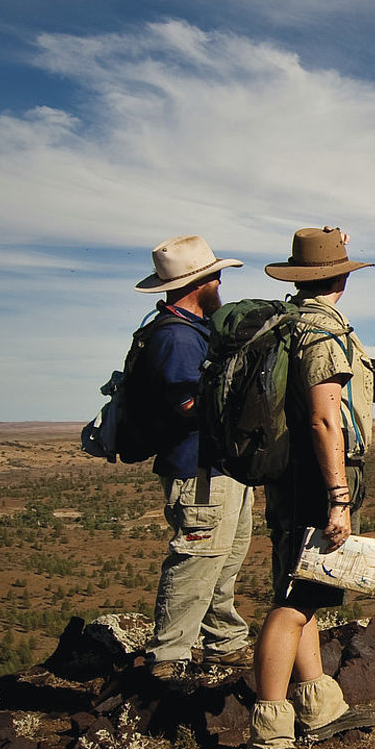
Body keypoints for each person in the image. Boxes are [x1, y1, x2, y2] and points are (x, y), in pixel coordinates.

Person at [245, 226, 375, 749]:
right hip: (315, 476)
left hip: (290, 474)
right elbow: (327, 419)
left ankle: (318, 706)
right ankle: (271, 728)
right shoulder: (322, 334)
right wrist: (339, 497)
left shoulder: (288, 324)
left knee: (305, 592)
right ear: (342, 279)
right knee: (291, 603)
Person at [134, 236, 256, 681]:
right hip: (199, 470)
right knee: (197, 559)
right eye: (214, 275)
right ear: (199, 282)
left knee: (225, 558)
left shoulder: (191, 329)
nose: (220, 281)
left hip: (222, 466)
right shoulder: (176, 336)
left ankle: (222, 642)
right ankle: (168, 656)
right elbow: (187, 406)